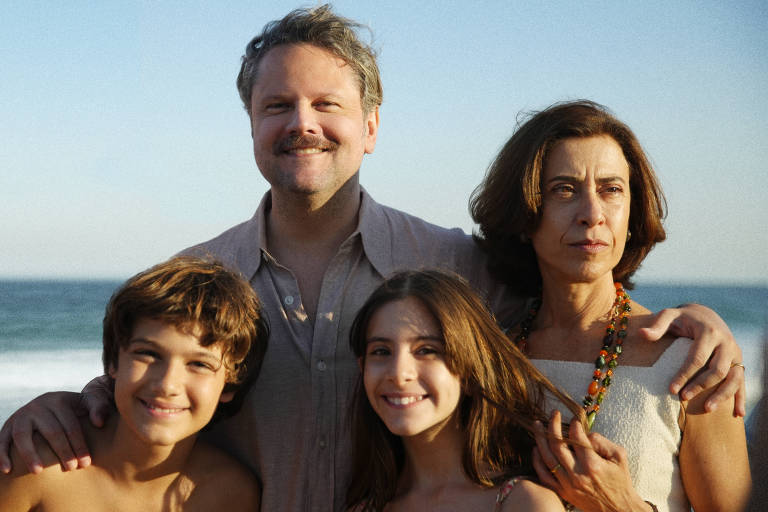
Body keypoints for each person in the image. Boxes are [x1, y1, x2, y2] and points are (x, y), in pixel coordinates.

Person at [0, 6, 746, 512]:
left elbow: (577, 301)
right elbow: (148, 394)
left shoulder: (464, 269)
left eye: (328, 105)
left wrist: (700, 326)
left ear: (371, 125)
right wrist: (60, 405)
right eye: (276, 107)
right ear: (250, 124)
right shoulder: (199, 280)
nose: (303, 125)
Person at [470, 100, 751, 511]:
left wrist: (623, 506)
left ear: (632, 210)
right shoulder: (492, 359)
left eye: (611, 189)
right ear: (524, 211)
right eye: (563, 190)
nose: (592, 213)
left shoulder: (692, 361)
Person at [0, 256, 268, 511]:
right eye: (148, 354)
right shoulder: (38, 465)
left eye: (199, 364)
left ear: (231, 385)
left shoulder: (231, 493)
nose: (167, 384)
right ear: (114, 361)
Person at [347, 269, 580, 511]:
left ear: (470, 372)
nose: (398, 373)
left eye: (426, 350)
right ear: (362, 367)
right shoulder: (365, 508)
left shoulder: (522, 503)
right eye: (381, 351)